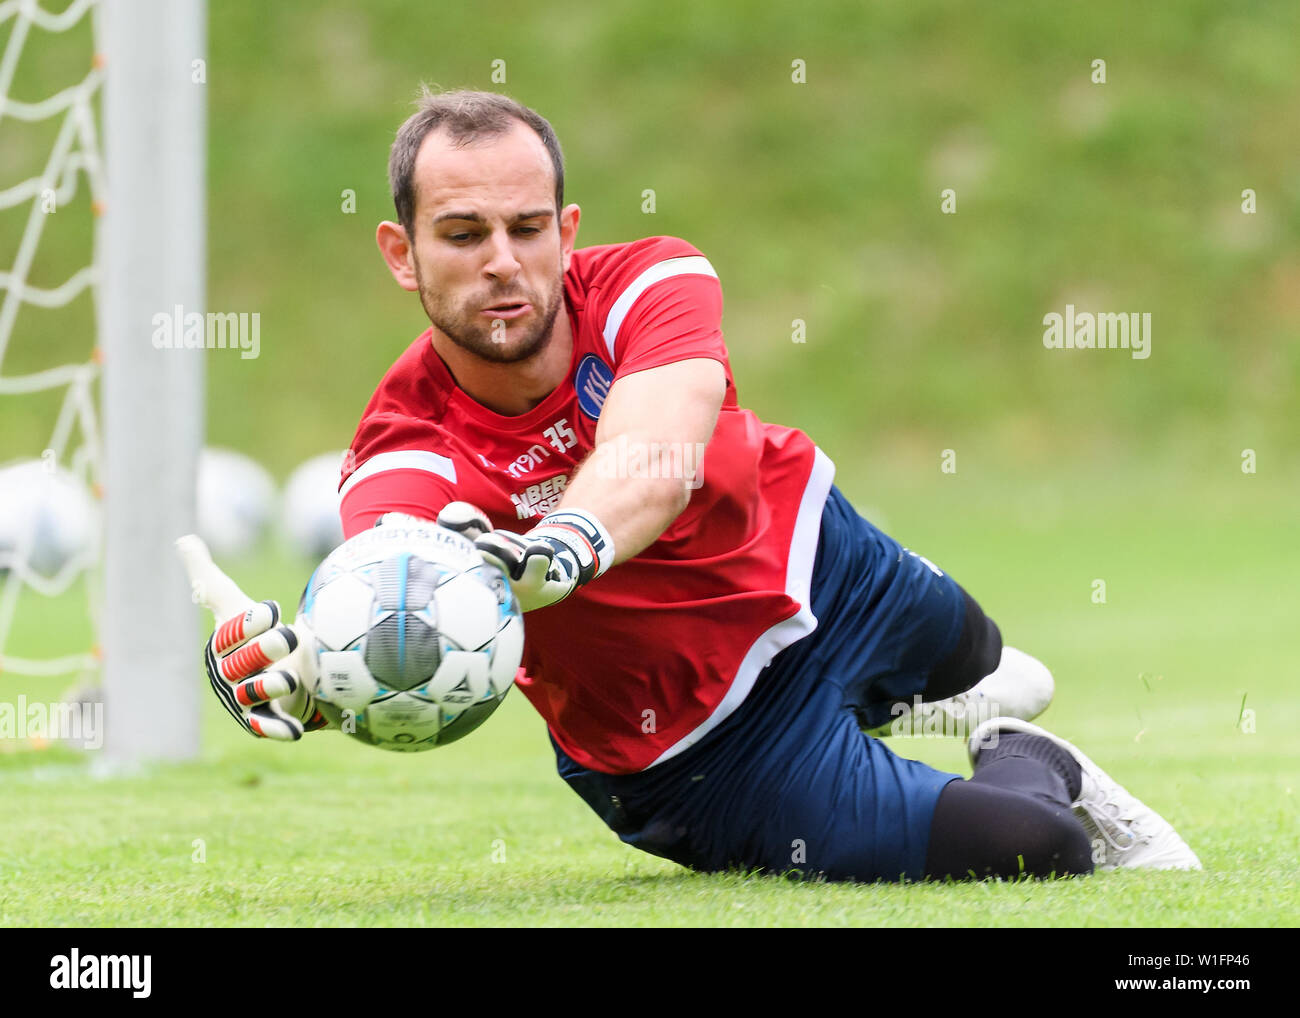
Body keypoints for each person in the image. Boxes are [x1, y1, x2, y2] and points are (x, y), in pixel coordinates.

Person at [202, 88, 1200, 882]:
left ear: (567, 226)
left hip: (822, 558)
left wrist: (563, 545)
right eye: (462, 234)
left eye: (528, 226)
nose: (503, 263)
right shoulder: (402, 448)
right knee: (1036, 845)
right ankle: (1040, 759)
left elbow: (657, 451)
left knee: (979, 651)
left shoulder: (653, 277)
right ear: (401, 254)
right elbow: (388, 605)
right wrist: (300, 672)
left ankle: (907, 694)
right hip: (705, 746)